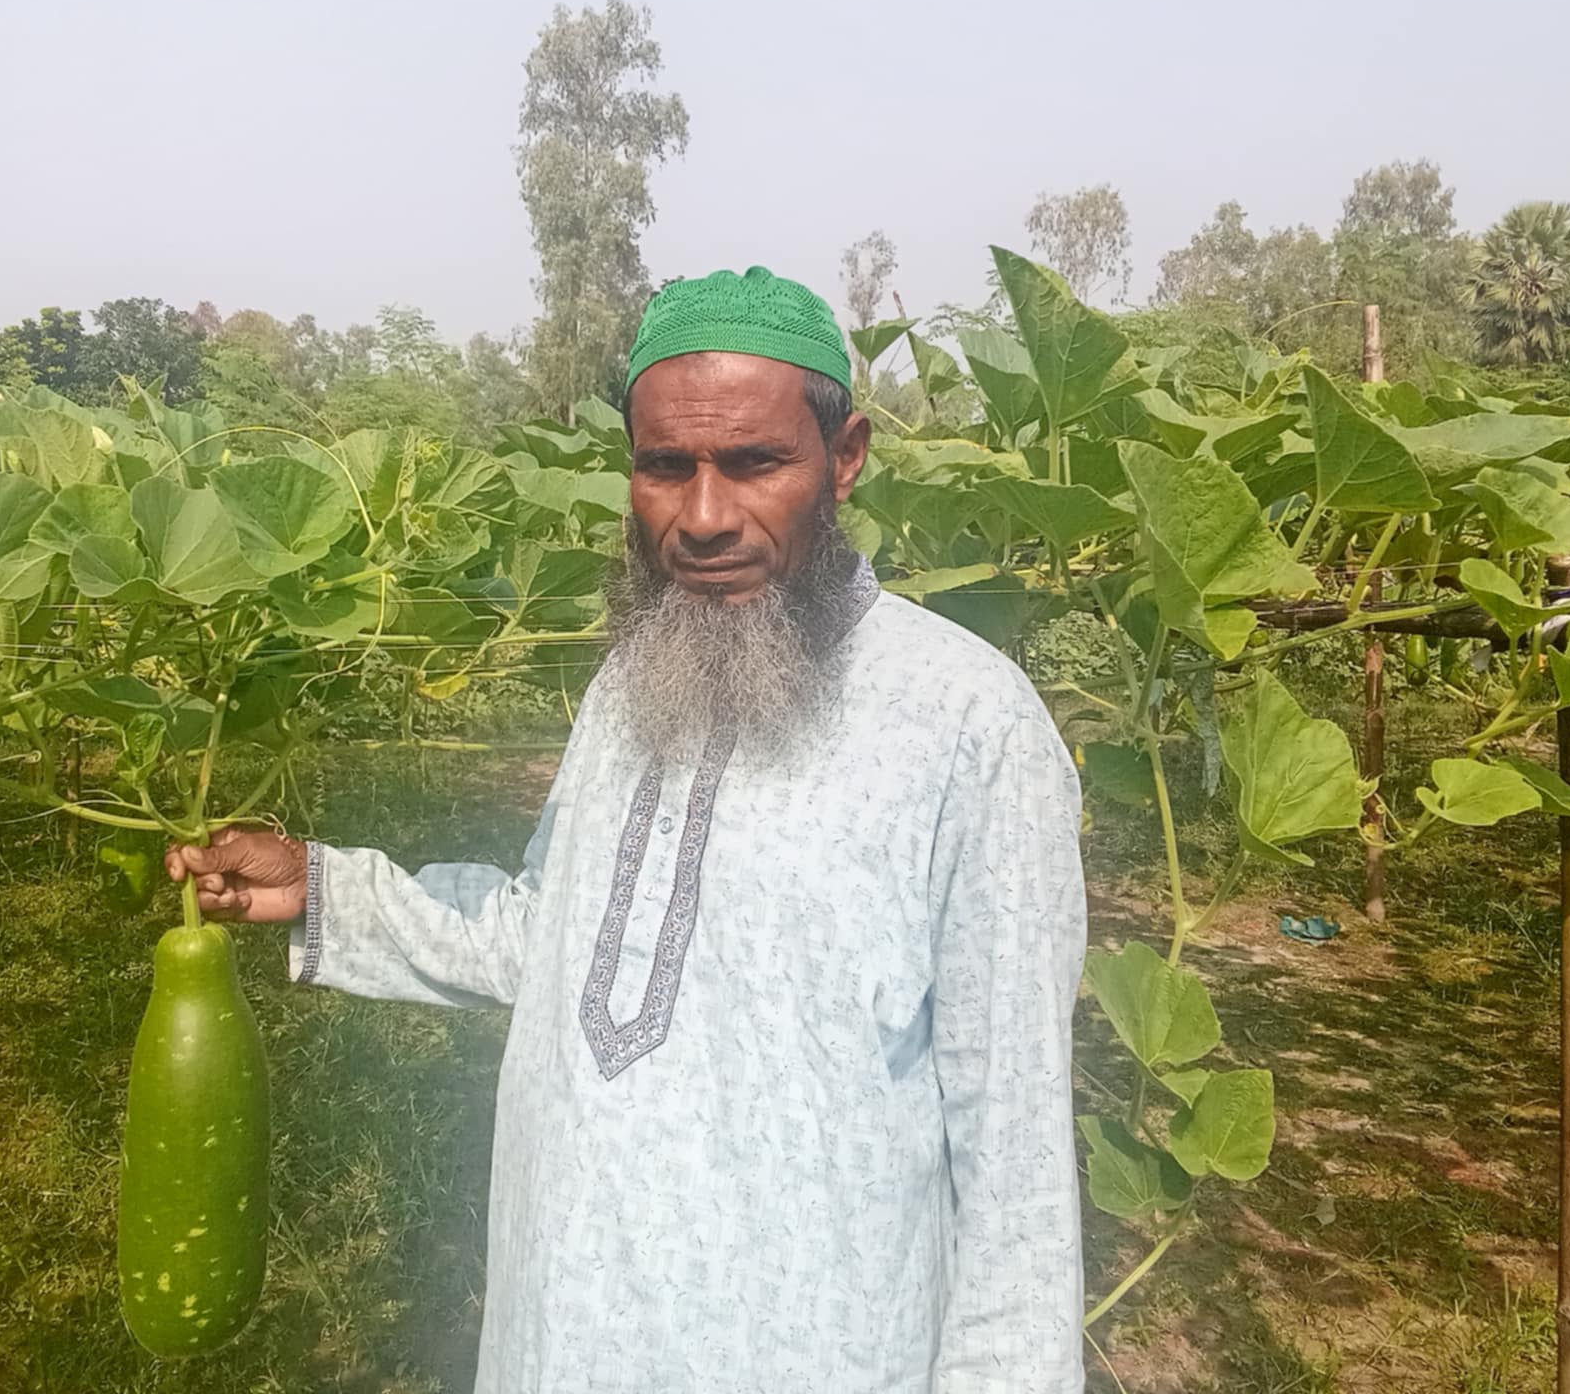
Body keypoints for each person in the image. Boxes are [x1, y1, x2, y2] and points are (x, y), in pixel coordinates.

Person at [167, 266, 1087, 1392]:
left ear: (842, 459)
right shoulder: (634, 681)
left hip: (813, 1346)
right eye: (665, 467)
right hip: (565, 1328)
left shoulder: (969, 726)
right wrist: (325, 886)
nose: (701, 517)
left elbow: (1015, 1157)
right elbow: (550, 939)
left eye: (754, 463)